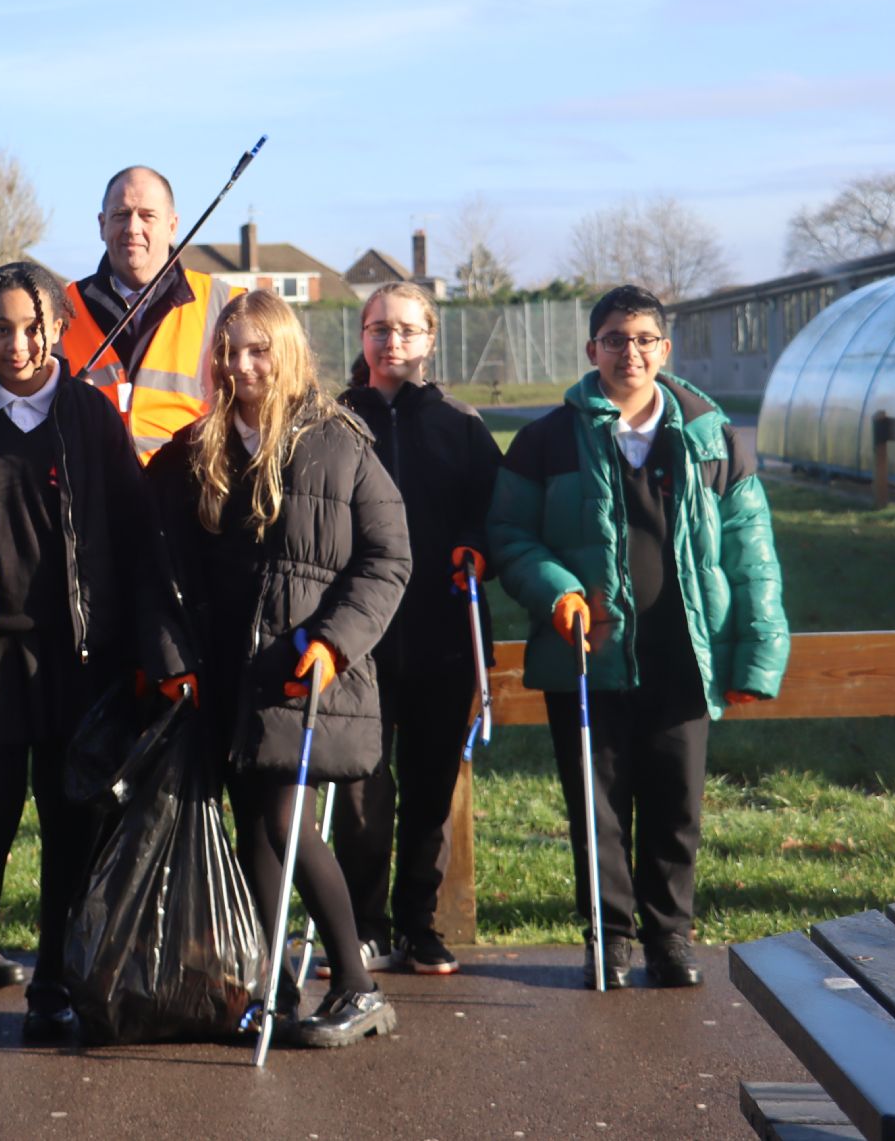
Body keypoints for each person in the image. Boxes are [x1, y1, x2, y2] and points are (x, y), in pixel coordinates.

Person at [0, 261, 170, 1040]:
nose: (13, 344)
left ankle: (54, 982)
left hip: (76, 663)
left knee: (71, 830)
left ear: (55, 328)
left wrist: (147, 646)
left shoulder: (90, 415)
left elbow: (133, 533)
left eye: (28, 327)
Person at [488, 285, 788, 990]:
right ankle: (609, 941)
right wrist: (555, 587)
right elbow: (508, 534)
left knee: (674, 807)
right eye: (615, 339)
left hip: (683, 655)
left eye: (644, 338)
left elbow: (752, 550)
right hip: (587, 659)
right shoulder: (544, 440)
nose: (631, 352)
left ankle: (669, 939)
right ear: (590, 349)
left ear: (664, 349)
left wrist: (757, 651)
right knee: (595, 809)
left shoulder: (712, 436)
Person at [145, 290, 411, 1048]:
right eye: (229, 350)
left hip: (299, 669)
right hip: (221, 671)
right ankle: (271, 987)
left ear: (287, 350)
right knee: (252, 829)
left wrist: (333, 639)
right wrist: (170, 659)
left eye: (257, 349)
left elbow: (388, 556)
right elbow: (158, 566)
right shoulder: (194, 450)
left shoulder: (337, 442)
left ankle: (357, 987)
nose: (241, 364)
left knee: (283, 818)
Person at [328, 282, 501, 977]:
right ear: (361, 338)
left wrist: (475, 548)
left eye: (405, 330)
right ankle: (361, 926)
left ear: (429, 339)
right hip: (356, 640)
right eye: (377, 329)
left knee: (430, 786)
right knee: (361, 789)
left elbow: (495, 513)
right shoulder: (332, 422)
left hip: (442, 633)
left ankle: (418, 925)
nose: (390, 341)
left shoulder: (461, 425)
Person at [61, 165, 241, 463]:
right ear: (102, 224)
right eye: (121, 214)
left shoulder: (227, 304)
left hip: (191, 492)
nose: (132, 228)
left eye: (147, 215)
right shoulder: (63, 307)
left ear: (173, 226)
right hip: (93, 495)